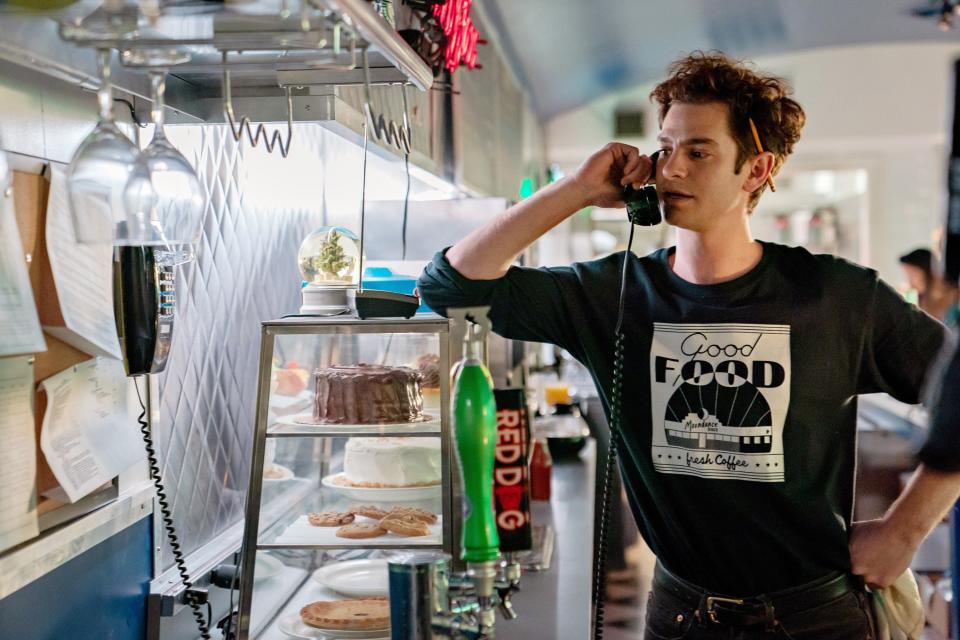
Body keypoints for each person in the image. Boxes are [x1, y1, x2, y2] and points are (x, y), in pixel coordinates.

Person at [419, 51, 958, 639]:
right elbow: (450, 285)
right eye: (665, 148)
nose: (671, 170)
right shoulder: (613, 292)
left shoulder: (834, 295)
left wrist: (904, 531)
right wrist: (575, 189)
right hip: (679, 614)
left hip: (816, 617)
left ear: (756, 171)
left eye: (698, 152)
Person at [899, 247, 960, 327]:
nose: (910, 283)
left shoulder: (955, 297)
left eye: (913, 275)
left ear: (929, 271)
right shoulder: (922, 302)